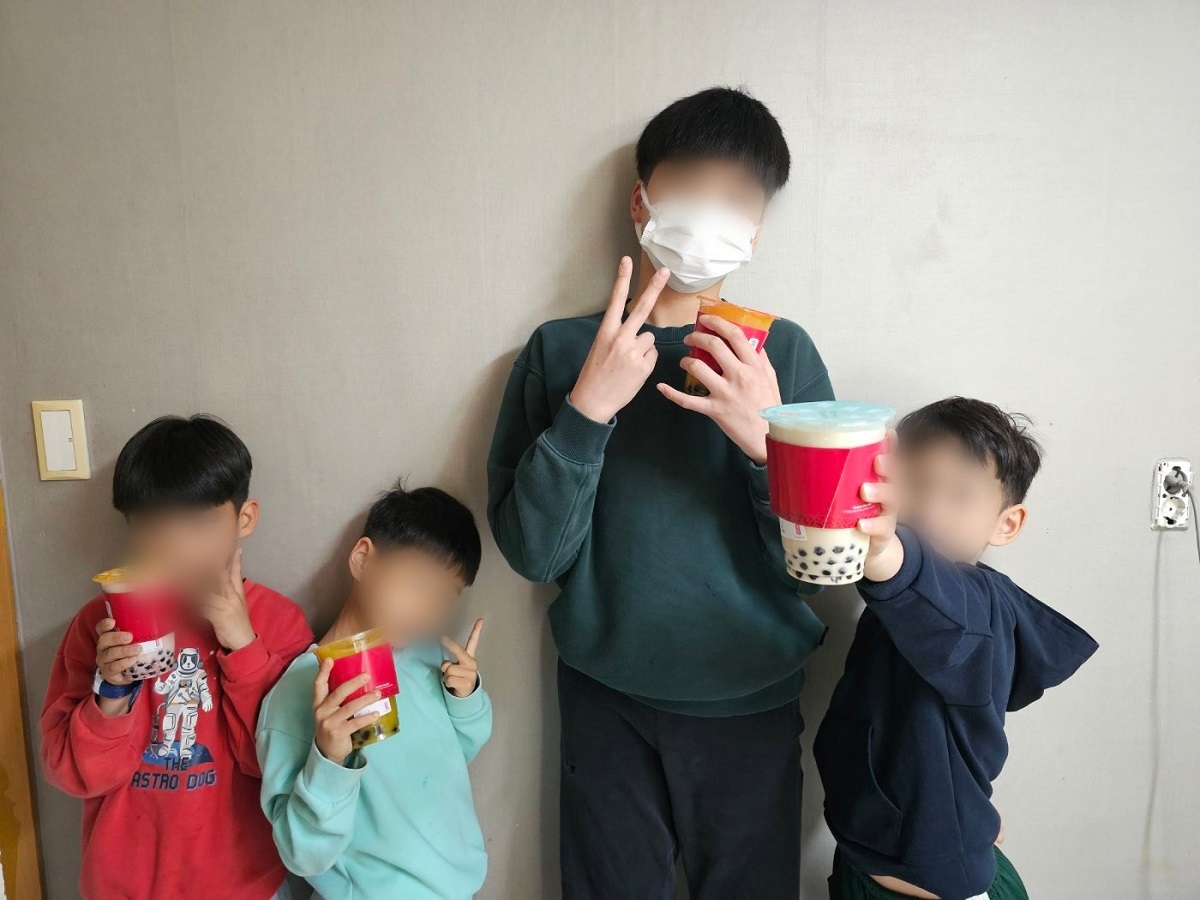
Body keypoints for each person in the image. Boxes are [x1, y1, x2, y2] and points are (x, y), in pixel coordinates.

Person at [487, 85, 832, 899]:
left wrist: (768, 446)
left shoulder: (783, 353)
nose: (711, 213)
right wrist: (586, 412)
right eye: (691, 186)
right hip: (606, 693)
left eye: (737, 197)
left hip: (750, 697)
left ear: (757, 229)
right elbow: (534, 556)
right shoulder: (562, 349)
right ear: (641, 200)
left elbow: (822, 567)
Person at [817, 397, 1099, 900]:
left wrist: (883, 551)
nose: (929, 509)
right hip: (875, 852)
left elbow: (915, 580)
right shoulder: (903, 607)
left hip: (935, 886)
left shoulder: (977, 606)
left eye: (961, 494)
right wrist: (971, 807)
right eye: (914, 483)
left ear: (1006, 523)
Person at [40, 414, 313, 900]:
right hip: (124, 886)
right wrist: (111, 691)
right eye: (152, 525)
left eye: (197, 523)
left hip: (242, 887)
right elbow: (72, 773)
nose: (174, 548)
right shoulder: (98, 626)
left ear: (245, 519)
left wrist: (244, 647)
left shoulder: (278, 622)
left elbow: (279, 766)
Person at [257, 483, 491, 900]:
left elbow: (453, 756)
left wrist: (466, 697)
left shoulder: (427, 659)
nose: (426, 611)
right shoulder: (298, 693)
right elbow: (302, 856)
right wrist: (330, 760)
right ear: (363, 559)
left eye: (444, 597)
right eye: (416, 583)